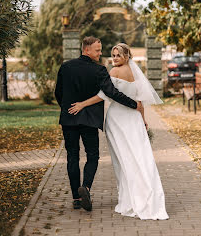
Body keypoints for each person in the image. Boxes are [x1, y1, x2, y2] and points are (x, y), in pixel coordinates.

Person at [68, 43, 169, 220]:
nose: (114, 58)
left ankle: (130, 200)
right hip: (134, 119)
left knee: (123, 161)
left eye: (118, 56)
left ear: (126, 56)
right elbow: (139, 102)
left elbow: (103, 95)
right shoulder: (136, 73)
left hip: (118, 120)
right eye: (113, 55)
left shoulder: (114, 73)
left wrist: (82, 104)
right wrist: (143, 119)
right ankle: (146, 197)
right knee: (140, 157)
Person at [55, 37, 142, 211]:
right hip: (89, 121)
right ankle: (86, 187)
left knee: (72, 156)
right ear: (86, 50)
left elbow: (59, 93)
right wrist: (134, 104)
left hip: (69, 119)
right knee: (92, 156)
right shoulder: (99, 70)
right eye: (97, 50)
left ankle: (77, 197)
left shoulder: (66, 67)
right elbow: (112, 93)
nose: (100, 53)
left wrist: (66, 109)